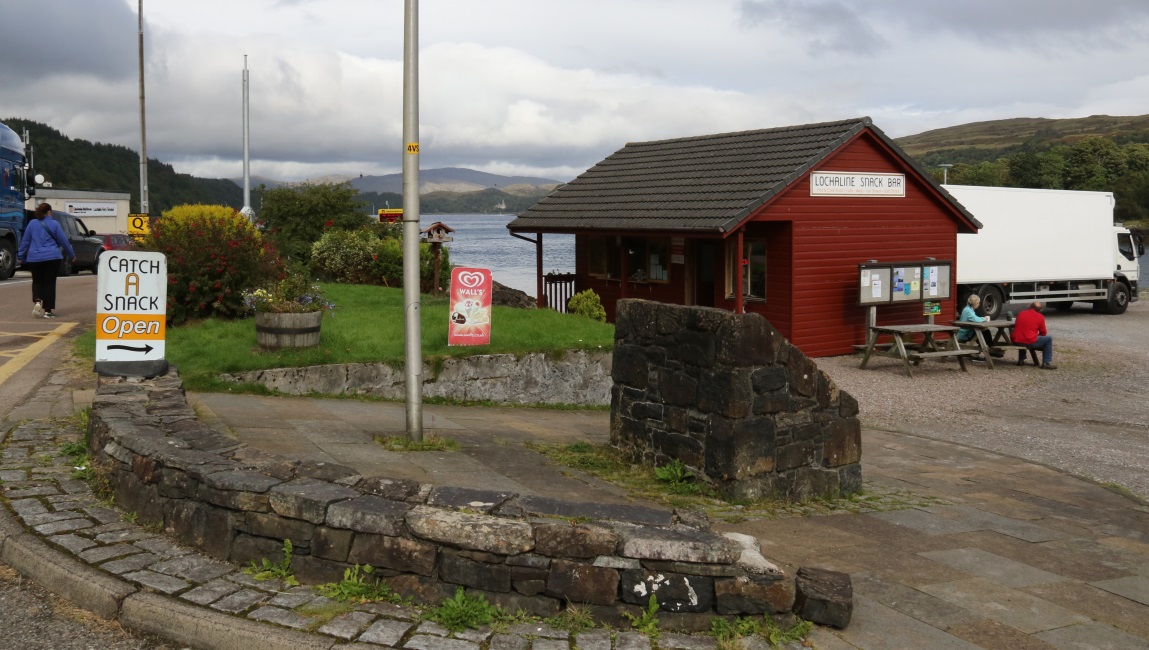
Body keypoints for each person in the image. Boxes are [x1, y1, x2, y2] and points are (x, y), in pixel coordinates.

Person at [17, 203, 76, 319]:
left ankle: (38, 300)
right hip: (52, 258)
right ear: (49, 212)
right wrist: (71, 254)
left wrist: (20, 256)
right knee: (49, 283)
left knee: (37, 281)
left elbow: (26, 241)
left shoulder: (32, 224)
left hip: (34, 258)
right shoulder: (54, 224)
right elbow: (63, 240)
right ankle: (48, 311)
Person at [1011, 301, 1056, 369]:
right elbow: (1043, 332)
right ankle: (1046, 362)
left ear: (1030, 307)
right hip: (1028, 341)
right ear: (1040, 310)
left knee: (1023, 335)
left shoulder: (1021, 313)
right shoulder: (1040, 317)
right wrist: (1037, 336)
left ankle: (1021, 360)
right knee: (1048, 339)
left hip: (1016, 340)